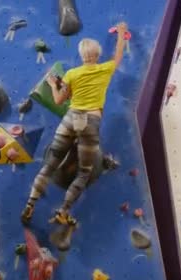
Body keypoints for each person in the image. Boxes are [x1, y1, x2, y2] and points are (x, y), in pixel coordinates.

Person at [21, 22, 128, 226]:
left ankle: (30, 205)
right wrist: (121, 32)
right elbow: (119, 54)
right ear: (98, 54)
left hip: (71, 117)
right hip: (91, 121)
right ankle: (64, 211)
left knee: (51, 163)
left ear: (81, 55)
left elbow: (59, 100)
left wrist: (53, 85)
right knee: (85, 171)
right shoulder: (106, 69)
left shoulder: (72, 74)